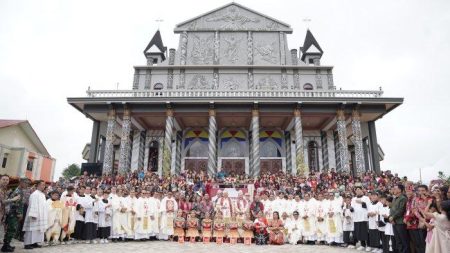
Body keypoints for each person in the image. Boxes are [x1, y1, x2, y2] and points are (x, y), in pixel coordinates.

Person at [2, 177, 26, 252]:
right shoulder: (18, 191)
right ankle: (5, 246)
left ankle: (7, 244)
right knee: (11, 229)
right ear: (21, 182)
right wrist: (19, 213)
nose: (26, 184)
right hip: (14, 214)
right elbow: (15, 204)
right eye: (25, 183)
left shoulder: (20, 190)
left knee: (12, 229)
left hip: (14, 213)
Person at [23, 180, 48, 249]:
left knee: (38, 230)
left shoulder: (42, 194)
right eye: (42, 184)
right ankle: (27, 244)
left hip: (40, 215)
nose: (44, 186)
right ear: (37, 185)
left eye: (44, 185)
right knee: (31, 229)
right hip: (34, 215)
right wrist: (33, 214)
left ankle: (34, 242)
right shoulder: (34, 194)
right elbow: (32, 205)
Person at [389, 184, 409, 253]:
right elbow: (391, 209)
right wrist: (391, 218)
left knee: (403, 240)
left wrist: (392, 217)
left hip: (400, 222)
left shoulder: (403, 198)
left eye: (395, 188)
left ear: (400, 190)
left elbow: (401, 210)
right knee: (398, 240)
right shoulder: (394, 198)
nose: (393, 190)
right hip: (394, 222)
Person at [351, 186, 370, 251]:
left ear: (362, 190)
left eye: (359, 189)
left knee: (365, 232)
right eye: (356, 190)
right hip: (356, 217)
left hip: (363, 217)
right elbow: (352, 207)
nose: (358, 191)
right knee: (359, 232)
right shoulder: (353, 199)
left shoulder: (366, 198)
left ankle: (369, 245)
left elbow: (369, 206)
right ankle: (362, 244)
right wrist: (351, 209)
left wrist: (362, 203)